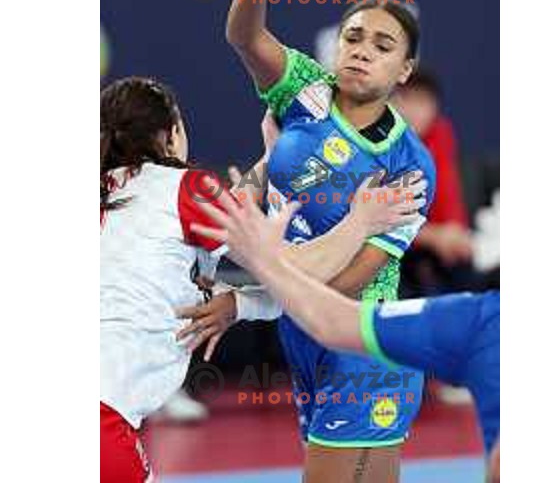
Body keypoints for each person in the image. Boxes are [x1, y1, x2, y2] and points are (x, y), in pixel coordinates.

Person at [100, 77, 424, 482]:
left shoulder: (112, 193)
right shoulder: (183, 188)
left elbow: (227, 209)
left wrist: (272, 159)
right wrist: (361, 222)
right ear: (172, 134)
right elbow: (291, 272)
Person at [225, 0, 436, 480]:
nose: (361, 50)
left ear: (405, 70)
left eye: (383, 46)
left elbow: (351, 280)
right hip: (305, 329)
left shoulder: (409, 164)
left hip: (360, 336)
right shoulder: (305, 90)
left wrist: (250, 295)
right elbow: (245, 36)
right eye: (353, 38)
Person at [188, 179, 500, 482]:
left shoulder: (398, 166)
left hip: (362, 362)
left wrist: (245, 299)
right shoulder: (294, 151)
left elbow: (342, 297)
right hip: (314, 347)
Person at [390, 68, 474, 297]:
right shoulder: (378, 140)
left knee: (466, 271)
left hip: (425, 242)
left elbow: (448, 193)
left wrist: (455, 230)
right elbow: (379, 219)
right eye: (406, 99)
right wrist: (435, 237)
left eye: (422, 102)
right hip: (386, 245)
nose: (412, 111)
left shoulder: (440, 133)